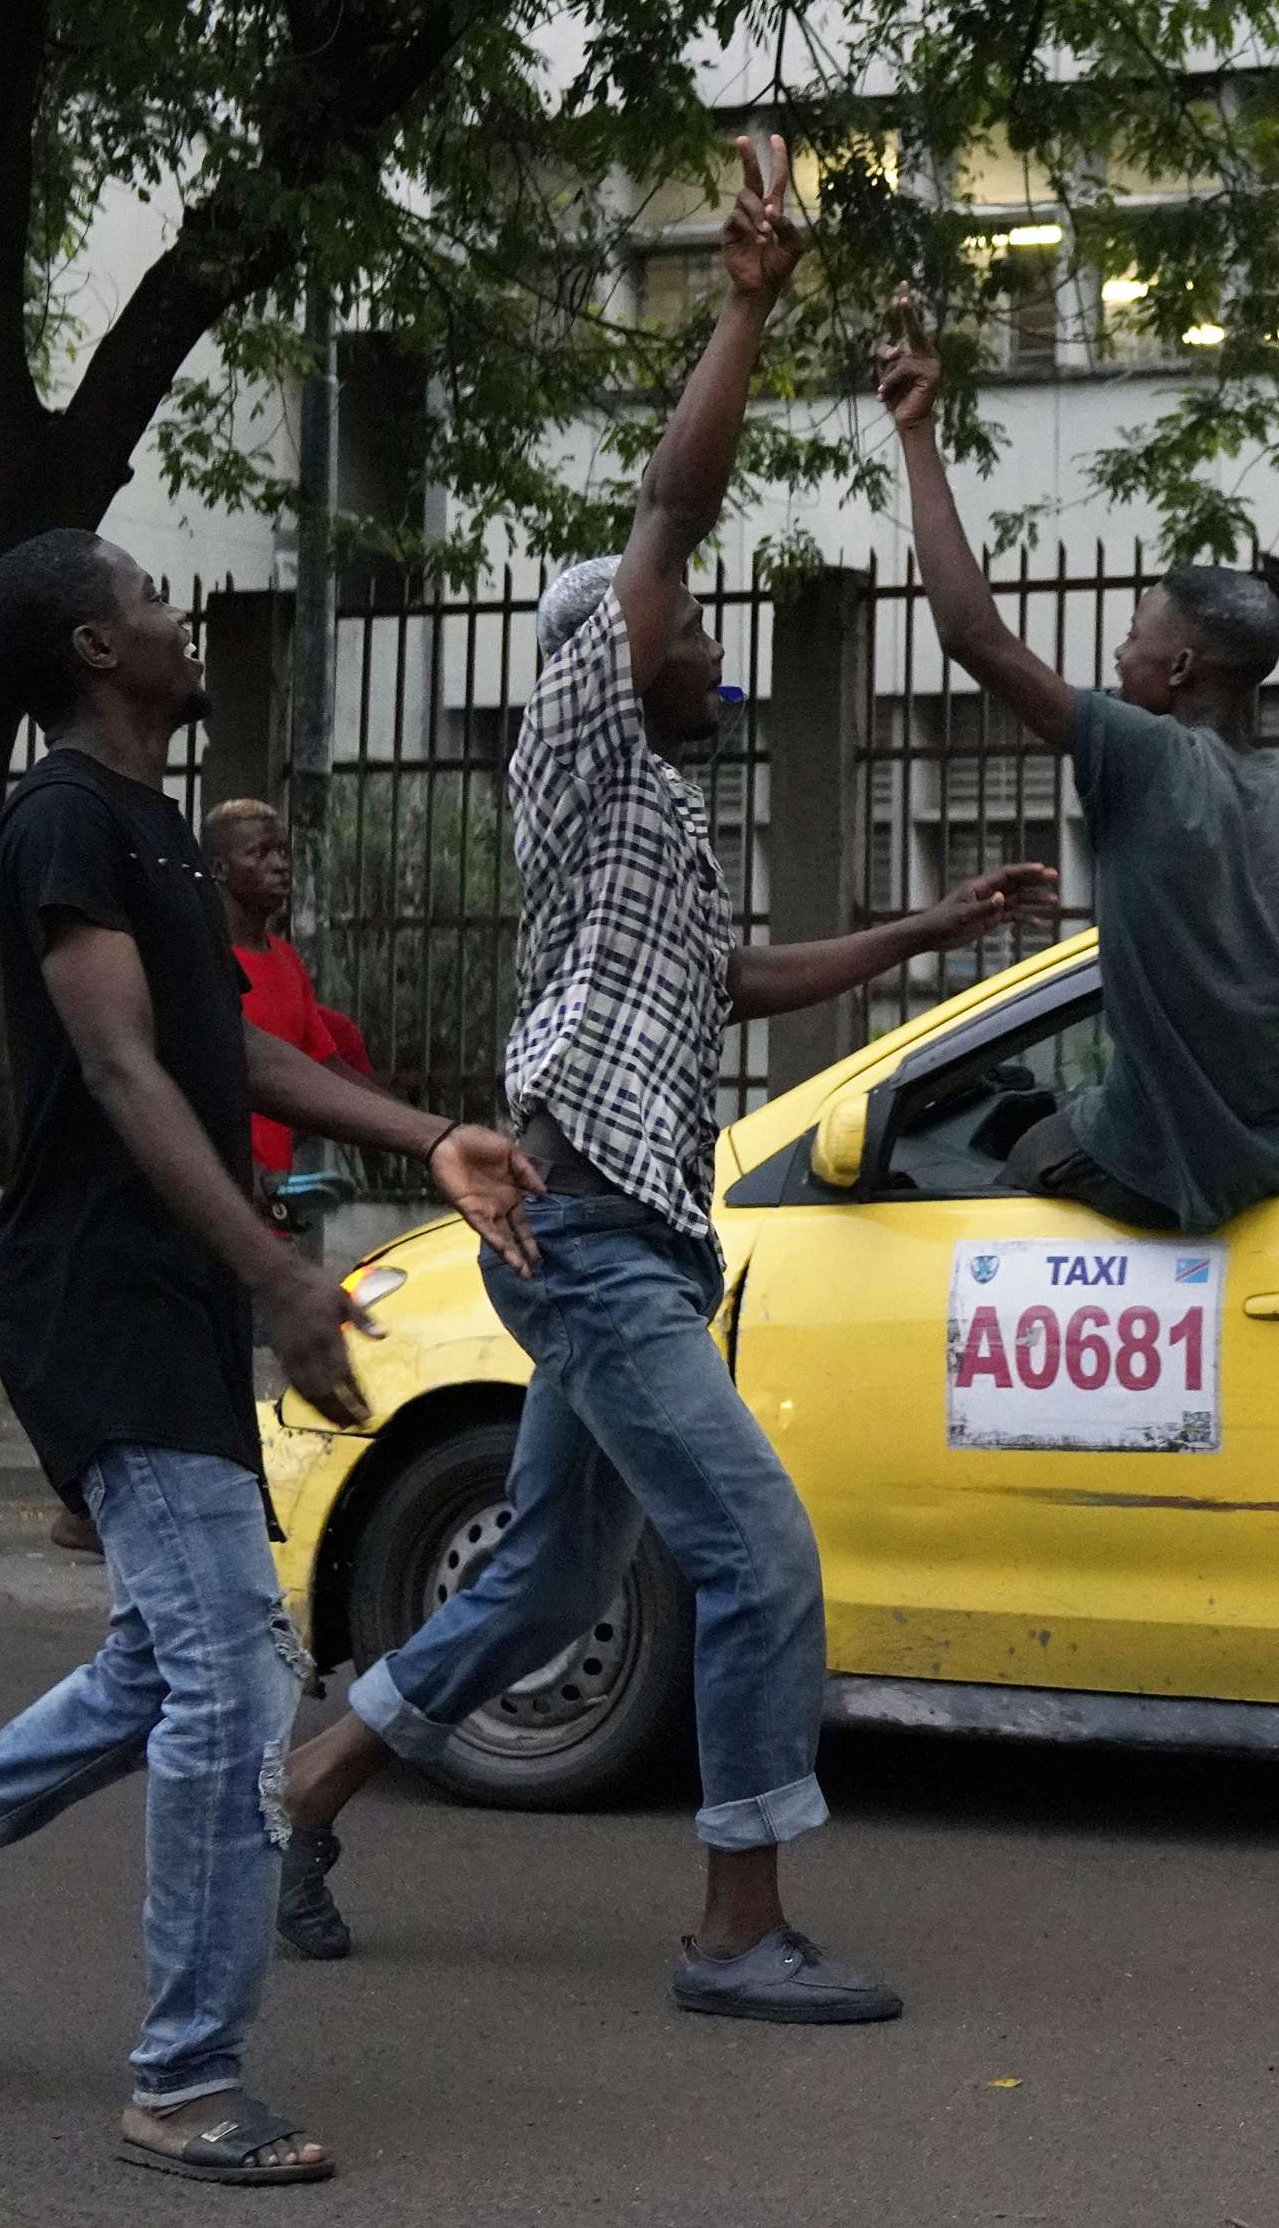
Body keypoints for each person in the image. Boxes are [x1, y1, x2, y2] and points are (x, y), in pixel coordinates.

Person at [267, 143, 1057, 2008]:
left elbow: (747, 973)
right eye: (683, 629)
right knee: (761, 1559)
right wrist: (747, 306)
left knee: (547, 1585)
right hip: (594, 1233)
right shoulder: (582, 742)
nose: (707, 643)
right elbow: (664, 517)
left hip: (618, 1236)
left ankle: (308, 1783)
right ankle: (735, 1923)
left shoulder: (661, 832)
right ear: (605, 662)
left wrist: (927, 933)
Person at [0, 526, 547, 2187]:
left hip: (169, 1289)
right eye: (147, 598)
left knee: (165, 1661)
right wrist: (282, 1275)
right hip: (105, 1291)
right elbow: (130, 1075)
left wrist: (431, 1135)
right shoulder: (63, 821)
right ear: (91, 649)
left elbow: (235, 1044)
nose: (176, 611)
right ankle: (187, 2073)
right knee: (236, 1668)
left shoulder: (141, 826)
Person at [882, 293, 1279, 1223]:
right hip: (1274, 1163)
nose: (1119, 657)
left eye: (1132, 637)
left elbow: (971, 635)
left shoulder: (1144, 755)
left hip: (1144, 1159)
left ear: (1180, 667)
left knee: (982, 1200)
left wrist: (918, 434)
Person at [205, 797, 375, 1181]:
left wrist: (431, 1132)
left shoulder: (286, 960)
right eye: (260, 853)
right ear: (219, 868)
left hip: (273, 1201)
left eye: (282, 851)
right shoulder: (199, 959)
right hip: (214, 1203)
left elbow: (325, 1069)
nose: (280, 865)